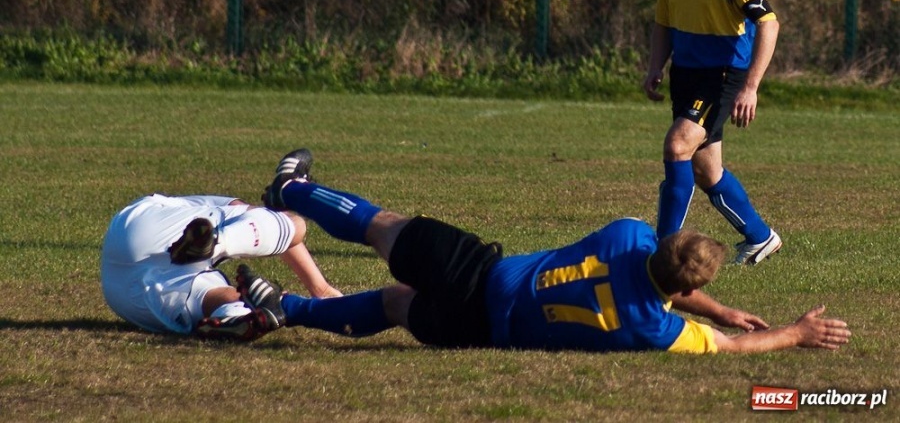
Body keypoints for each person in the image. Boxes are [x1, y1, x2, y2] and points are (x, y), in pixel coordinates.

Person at [235, 148, 850, 354]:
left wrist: (716, 306)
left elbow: (662, 267)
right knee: (397, 307)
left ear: (663, 244)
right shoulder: (653, 328)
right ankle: (290, 309)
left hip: (485, 273)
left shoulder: (627, 234)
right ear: (681, 294)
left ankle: (291, 187)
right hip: (483, 330)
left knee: (388, 230)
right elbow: (731, 347)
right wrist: (794, 333)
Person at [642, 0, 783, 265]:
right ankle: (760, 237)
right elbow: (663, 24)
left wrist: (750, 86)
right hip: (686, 74)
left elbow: (768, 22)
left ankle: (663, 255)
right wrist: (657, 66)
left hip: (722, 74)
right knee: (706, 170)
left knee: (676, 145)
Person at [100, 149, 340, 341]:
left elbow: (269, 222)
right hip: (132, 294)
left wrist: (321, 290)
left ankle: (238, 316)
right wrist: (321, 289)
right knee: (295, 223)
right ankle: (217, 243)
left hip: (123, 279)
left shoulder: (197, 211)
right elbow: (270, 220)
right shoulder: (224, 207)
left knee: (233, 300)